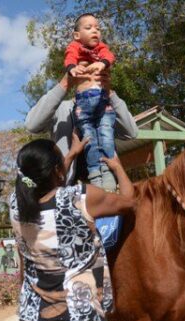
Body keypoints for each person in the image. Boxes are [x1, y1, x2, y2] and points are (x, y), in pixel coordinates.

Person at [9, 138, 135, 321]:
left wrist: (69, 156)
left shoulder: (16, 203)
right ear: (57, 171)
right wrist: (117, 166)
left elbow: (47, 185)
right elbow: (129, 201)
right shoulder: (80, 198)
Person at [24, 71, 138, 188]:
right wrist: (64, 84)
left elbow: (132, 132)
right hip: (68, 191)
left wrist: (110, 93)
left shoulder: (107, 108)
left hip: (106, 188)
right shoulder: (61, 108)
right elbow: (32, 125)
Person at [63, 13, 119, 191]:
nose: (95, 30)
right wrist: (73, 68)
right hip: (83, 104)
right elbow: (69, 58)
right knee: (89, 140)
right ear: (77, 35)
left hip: (103, 102)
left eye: (97, 28)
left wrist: (102, 63)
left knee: (107, 137)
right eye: (89, 28)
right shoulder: (75, 47)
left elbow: (109, 56)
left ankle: (108, 171)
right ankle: (95, 173)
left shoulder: (101, 48)